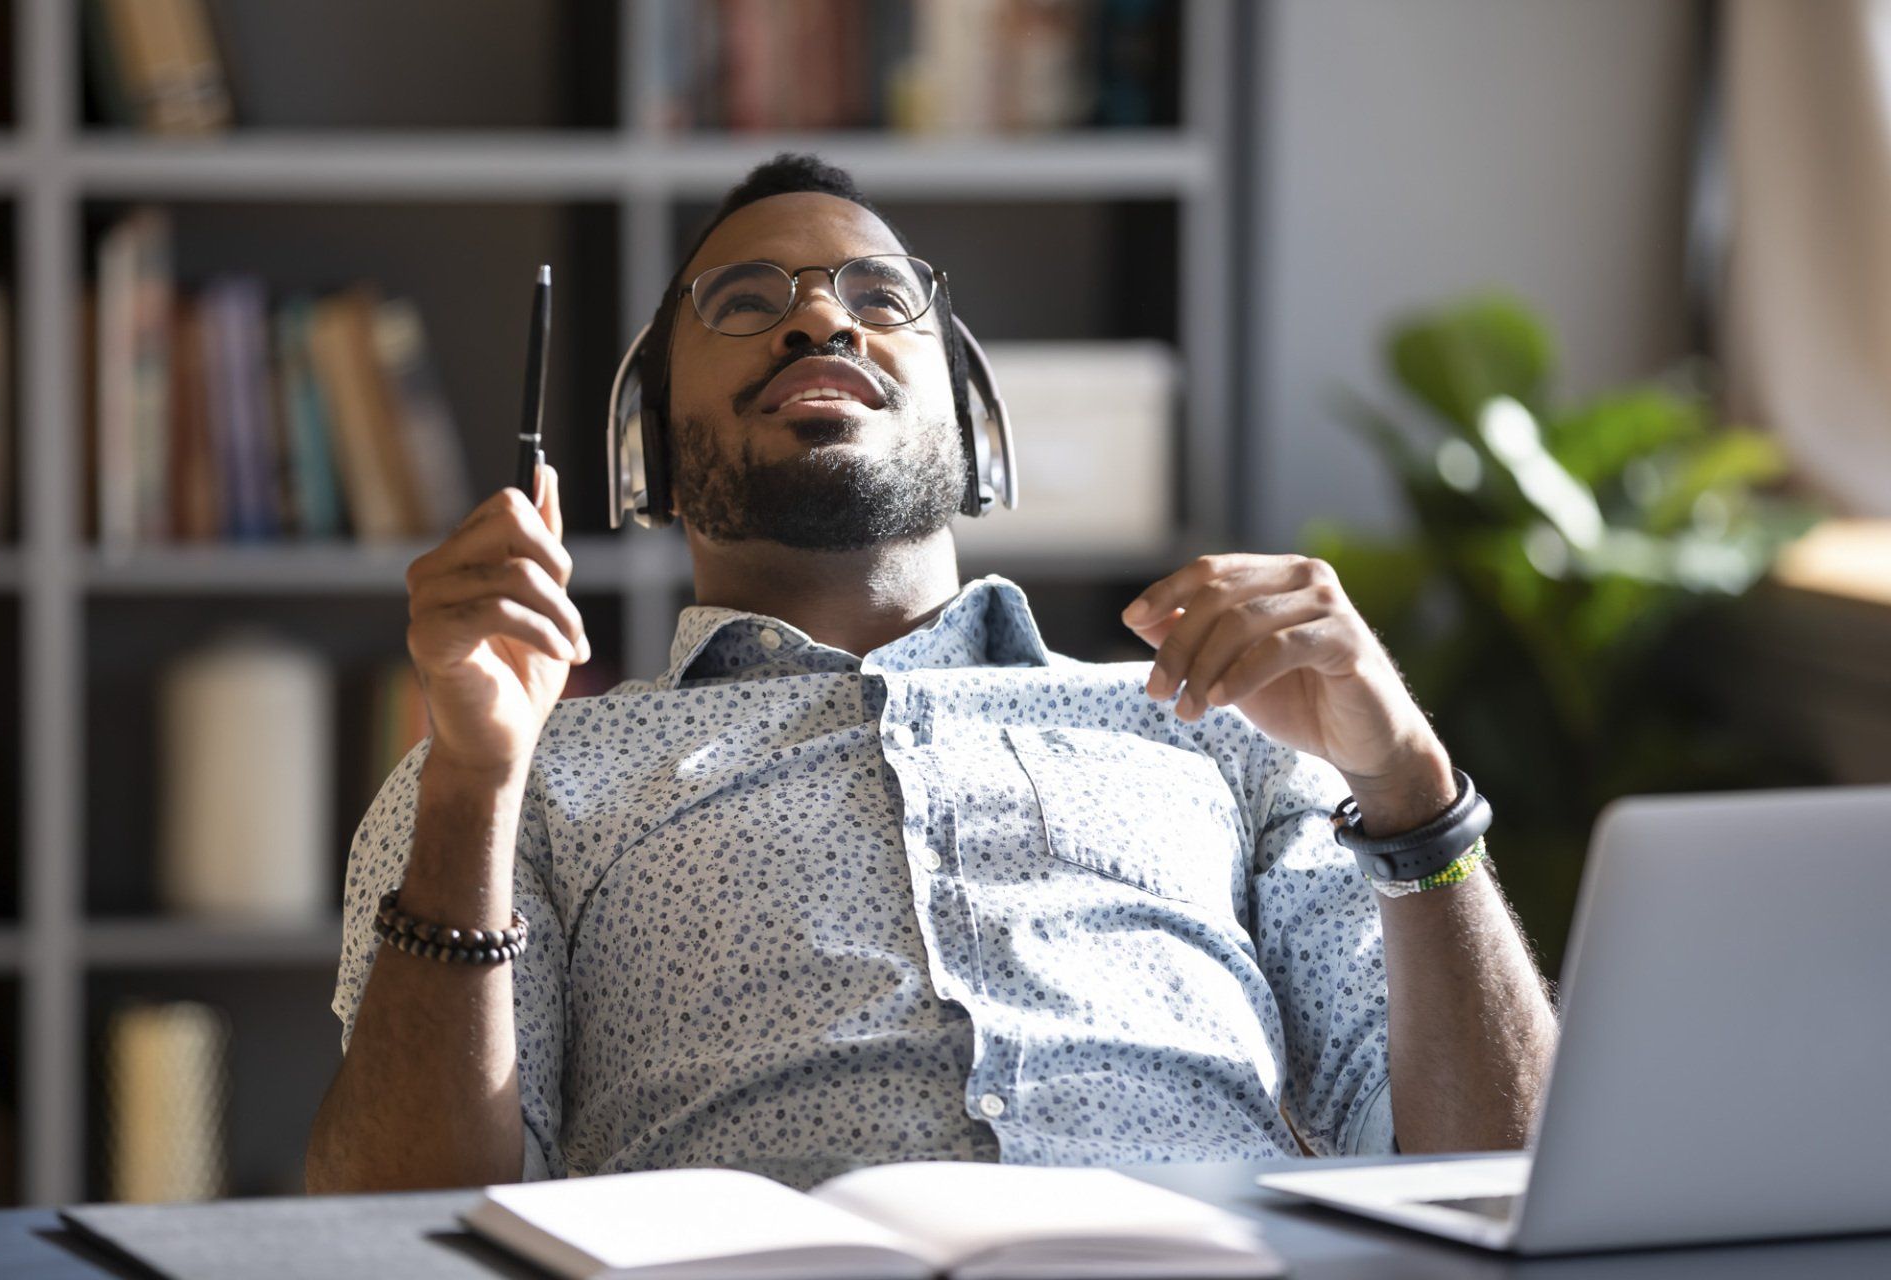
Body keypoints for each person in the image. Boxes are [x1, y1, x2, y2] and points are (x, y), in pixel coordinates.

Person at [305, 153, 1558, 1194]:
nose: (819, 316)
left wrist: (1408, 783)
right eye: (744, 299)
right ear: (653, 456)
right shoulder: (511, 777)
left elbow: (1503, 1176)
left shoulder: (1217, 731)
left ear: (970, 420)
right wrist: (472, 784)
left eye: (879, 294)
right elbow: (396, 1234)